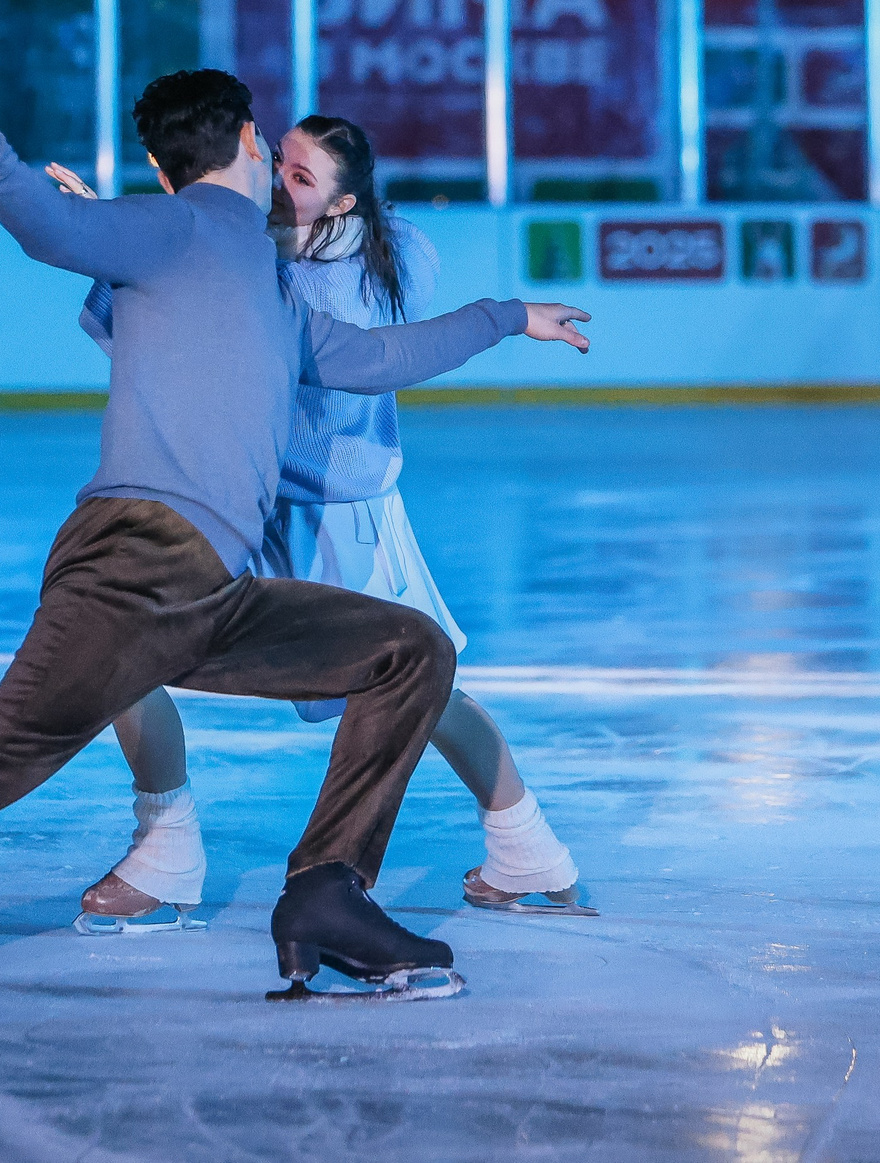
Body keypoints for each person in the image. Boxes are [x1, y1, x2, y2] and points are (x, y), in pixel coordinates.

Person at [0, 72, 593, 1030]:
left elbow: (376, 360)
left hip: (211, 588)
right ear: (248, 141)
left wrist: (507, 317)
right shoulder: (180, 229)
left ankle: (328, 893)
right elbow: (51, 227)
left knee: (410, 648)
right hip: (132, 570)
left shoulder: (259, 273)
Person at [60, 116, 588, 935]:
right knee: (122, 645)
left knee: (425, 686)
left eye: (301, 180)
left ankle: (526, 846)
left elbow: (187, 330)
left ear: (342, 202)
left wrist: (140, 245)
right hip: (248, 507)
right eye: (278, 162)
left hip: (342, 519)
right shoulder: (294, 248)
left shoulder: (307, 279)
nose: (277, 183)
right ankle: (165, 846)